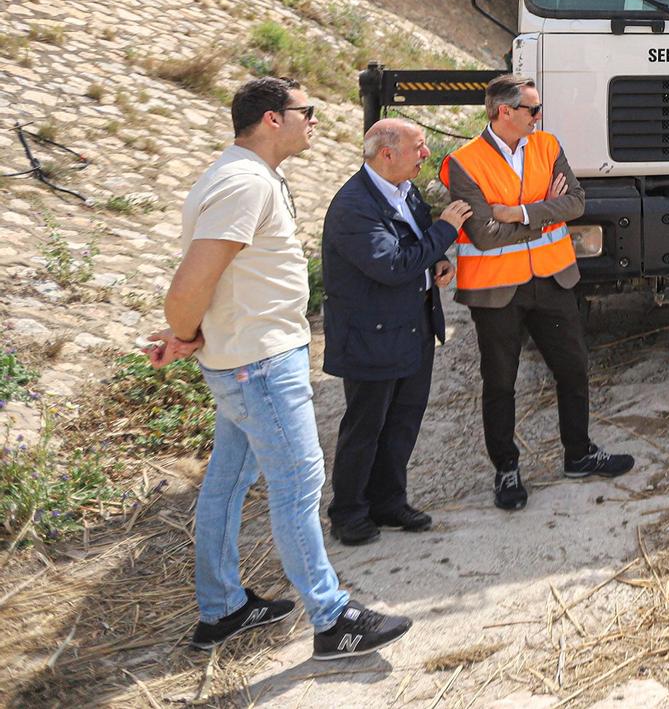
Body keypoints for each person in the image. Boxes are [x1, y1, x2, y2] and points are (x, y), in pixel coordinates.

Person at [152, 77, 412, 660]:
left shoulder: (243, 175)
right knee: (298, 485)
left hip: (245, 359)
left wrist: (191, 335)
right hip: (260, 366)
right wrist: (185, 331)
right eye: (306, 111)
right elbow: (189, 286)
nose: (315, 121)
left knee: (228, 481)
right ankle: (332, 618)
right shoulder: (244, 182)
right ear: (273, 119)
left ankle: (221, 610)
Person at [443, 75, 633, 510]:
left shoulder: (547, 146)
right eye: (532, 109)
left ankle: (579, 454)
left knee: (573, 369)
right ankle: (506, 469)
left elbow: (576, 203)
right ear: (503, 112)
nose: (539, 116)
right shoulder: (464, 162)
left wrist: (521, 212)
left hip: (551, 282)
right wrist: (544, 212)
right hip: (496, 292)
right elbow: (485, 235)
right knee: (500, 384)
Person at [321, 119, 472, 546]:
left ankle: (389, 501)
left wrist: (437, 259)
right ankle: (348, 513)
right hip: (373, 336)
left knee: (403, 422)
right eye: (419, 147)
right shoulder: (354, 206)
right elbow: (391, 265)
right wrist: (445, 230)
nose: (426, 155)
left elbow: (415, 247)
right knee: (365, 427)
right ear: (386, 154)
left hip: (411, 329)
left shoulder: (406, 191)